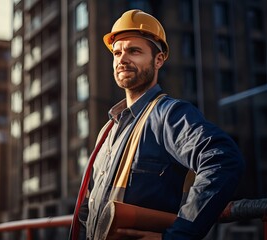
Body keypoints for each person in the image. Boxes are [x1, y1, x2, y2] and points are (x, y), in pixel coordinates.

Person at [70, 9, 245, 240]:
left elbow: (223, 159)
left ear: (158, 59)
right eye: (117, 52)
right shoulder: (109, 130)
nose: (122, 59)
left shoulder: (169, 115)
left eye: (134, 51)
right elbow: (88, 211)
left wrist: (178, 236)